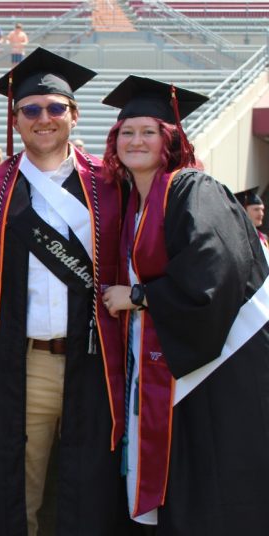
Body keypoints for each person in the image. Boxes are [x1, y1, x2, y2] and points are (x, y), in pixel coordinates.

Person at [0, 48, 130, 536]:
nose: (44, 119)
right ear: (15, 118)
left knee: (86, 488)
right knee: (21, 490)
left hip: (95, 364)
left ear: (74, 115)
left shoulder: (110, 186)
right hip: (24, 365)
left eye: (55, 108)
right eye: (31, 109)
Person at [101, 75, 269, 534]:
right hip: (179, 367)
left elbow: (214, 274)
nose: (136, 141)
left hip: (221, 366)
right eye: (126, 132)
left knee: (217, 485)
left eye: (148, 132)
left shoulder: (192, 188)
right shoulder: (134, 201)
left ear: (169, 138)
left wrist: (138, 297)